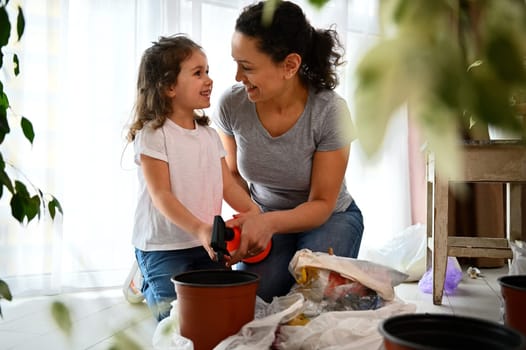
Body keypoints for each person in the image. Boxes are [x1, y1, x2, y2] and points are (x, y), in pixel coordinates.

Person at [212, 1, 364, 303]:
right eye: (236, 62)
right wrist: (252, 218)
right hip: (265, 214)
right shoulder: (232, 104)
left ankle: (354, 287)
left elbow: (321, 203)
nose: (237, 77)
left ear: (290, 66)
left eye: (248, 67)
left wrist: (268, 223)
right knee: (258, 298)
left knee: (313, 297)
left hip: (329, 218)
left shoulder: (330, 112)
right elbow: (231, 174)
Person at [126, 34, 260, 321]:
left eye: (208, 71)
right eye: (198, 73)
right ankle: (143, 279)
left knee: (218, 310)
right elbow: (161, 195)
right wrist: (199, 229)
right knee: (176, 319)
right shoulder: (153, 135)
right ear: (169, 86)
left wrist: (253, 212)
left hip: (205, 246)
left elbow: (226, 185)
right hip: (163, 247)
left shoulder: (209, 136)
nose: (208, 79)